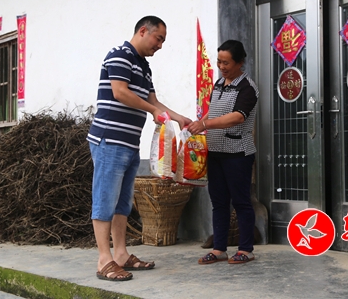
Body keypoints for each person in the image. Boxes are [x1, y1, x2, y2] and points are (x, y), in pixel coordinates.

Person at [87, 15, 192, 281]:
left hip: (130, 144)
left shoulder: (144, 66)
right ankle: (104, 260)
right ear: (143, 31)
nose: (160, 45)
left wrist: (178, 118)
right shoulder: (120, 55)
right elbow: (120, 92)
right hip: (110, 140)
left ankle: (121, 254)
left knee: (123, 203)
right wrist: (153, 111)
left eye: (163, 41)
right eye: (159, 38)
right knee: (105, 200)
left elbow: (153, 101)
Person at [187, 39, 259, 264]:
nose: (221, 66)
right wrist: (199, 123)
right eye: (219, 61)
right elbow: (214, 111)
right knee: (218, 202)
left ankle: (246, 249)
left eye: (226, 63)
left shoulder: (248, 88)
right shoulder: (218, 84)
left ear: (240, 62)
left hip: (238, 153)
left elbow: (237, 117)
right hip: (216, 152)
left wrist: (205, 124)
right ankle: (219, 249)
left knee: (241, 202)